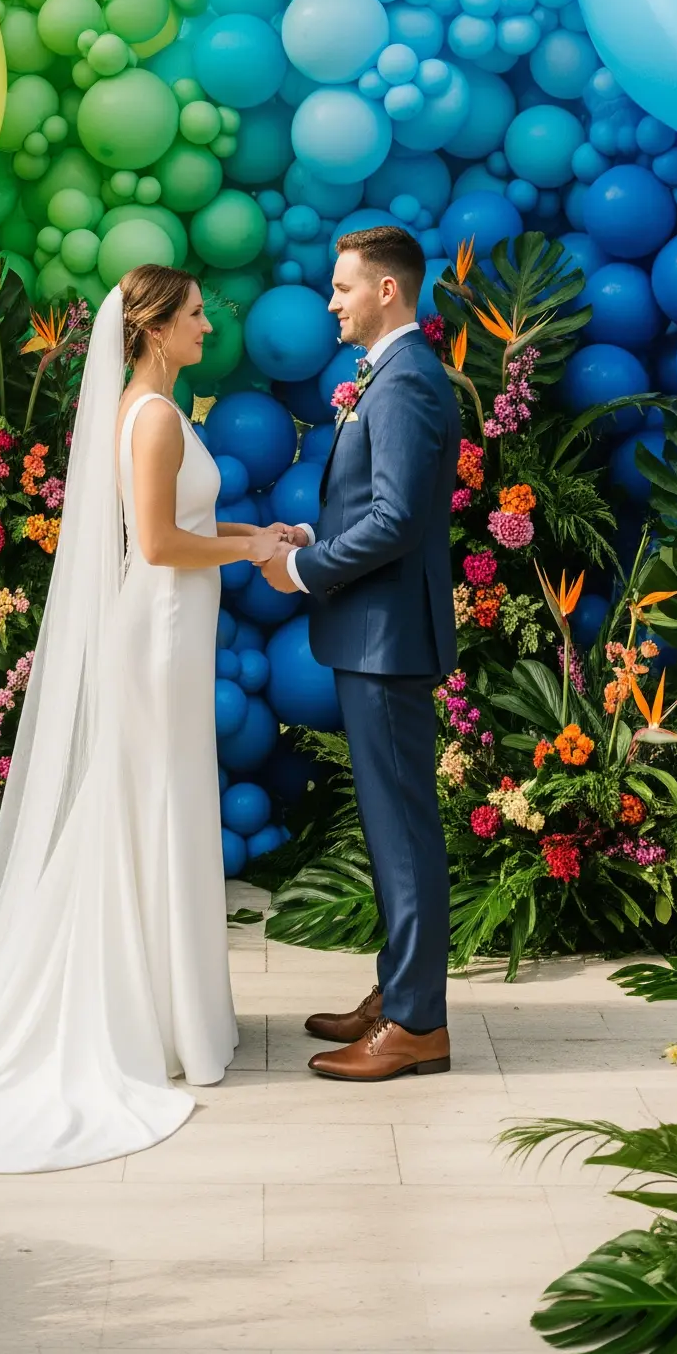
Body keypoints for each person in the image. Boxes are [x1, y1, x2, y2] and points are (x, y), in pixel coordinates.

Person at [0, 264, 300, 1172]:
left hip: (171, 624)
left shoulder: (151, 408)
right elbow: (162, 543)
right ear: (155, 329)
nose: (211, 328)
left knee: (155, 801)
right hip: (162, 628)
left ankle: (173, 1009)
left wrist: (246, 546)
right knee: (153, 802)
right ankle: (149, 1016)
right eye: (197, 316)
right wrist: (253, 545)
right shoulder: (157, 416)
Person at [259, 223, 460, 1082]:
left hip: (386, 640)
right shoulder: (389, 374)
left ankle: (417, 1023)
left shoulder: (408, 378)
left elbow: (400, 520)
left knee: (404, 831)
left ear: (387, 290)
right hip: (374, 632)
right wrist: (314, 530)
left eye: (342, 287)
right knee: (388, 829)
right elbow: (376, 509)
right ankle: (398, 989)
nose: (331, 301)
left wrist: (303, 568)